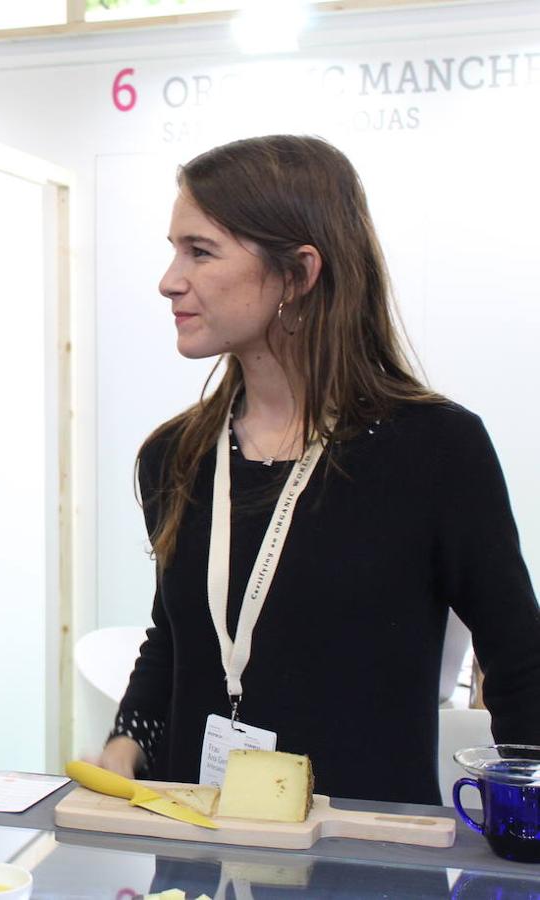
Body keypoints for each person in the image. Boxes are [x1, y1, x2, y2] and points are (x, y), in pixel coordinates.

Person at [98, 135, 540, 805]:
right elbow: (176, 638)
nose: (169, 279)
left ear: (300, 273)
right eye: (173, 249)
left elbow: (519, 665)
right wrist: (125, 743)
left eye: (200, 251)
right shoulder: (178, 455)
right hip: (199, 859)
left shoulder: (435, 450)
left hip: (366, 862)